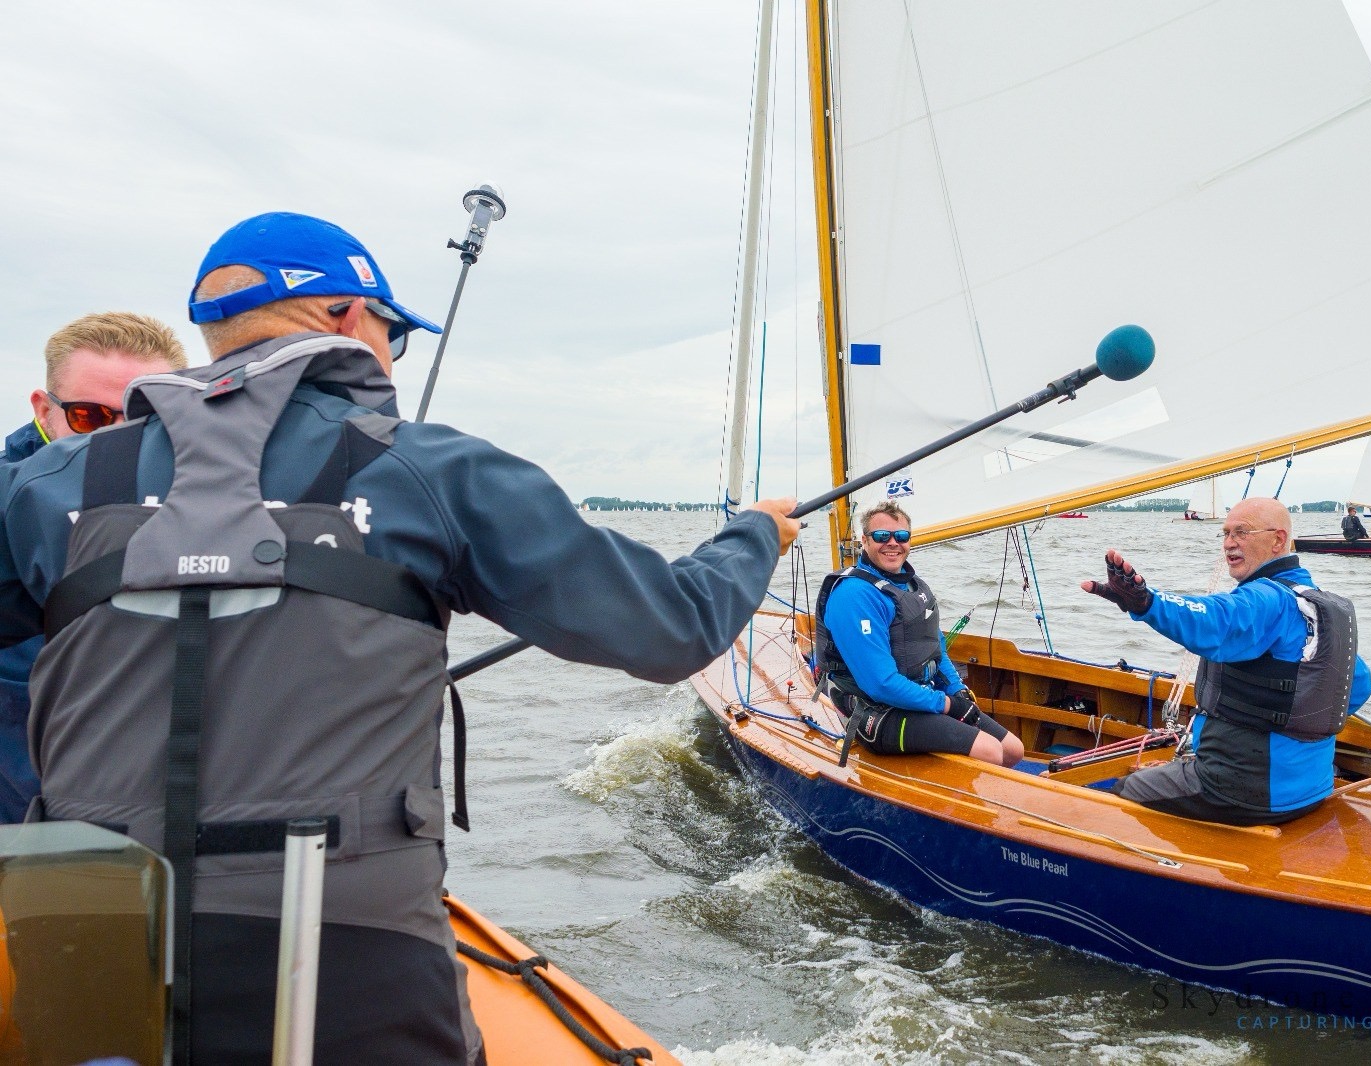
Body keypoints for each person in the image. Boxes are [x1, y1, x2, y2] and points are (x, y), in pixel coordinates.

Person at [0, 211, 800, 1065]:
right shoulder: (433, 468)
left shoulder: (47, 484)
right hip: (347, 944)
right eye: (393, 332)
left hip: (86, 933)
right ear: (347, 316)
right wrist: (750, 536)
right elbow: (672, 628)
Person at [1080, 497, 1371, 827]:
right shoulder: (1317, 606)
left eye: (1242, 532)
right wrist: (1292, 720)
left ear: (1277, 540)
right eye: (1225, 533)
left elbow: (1216, 621)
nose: (1230, 543)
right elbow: (1359, 684)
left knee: (1126, 791)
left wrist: (1146, 602)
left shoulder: (1266, 599)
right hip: (1311, 789)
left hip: (1243, 791)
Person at [0, 312, 187, 824]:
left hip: (150, 834)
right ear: (44, 409)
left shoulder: (220, 515)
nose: (118, 442)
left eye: (145, 420)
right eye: (90, 418)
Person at [812, 501, 1024, 768]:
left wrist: (956, 691)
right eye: (881, 536)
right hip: (875, 711)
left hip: (917, 697)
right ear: (864, 541)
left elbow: (936, 649)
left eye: (901, 536)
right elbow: (880, 684)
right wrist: (945, 705)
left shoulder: (912, 587)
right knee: (990, 750)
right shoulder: (854, 596)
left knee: (1014, 749)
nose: (893, 543)